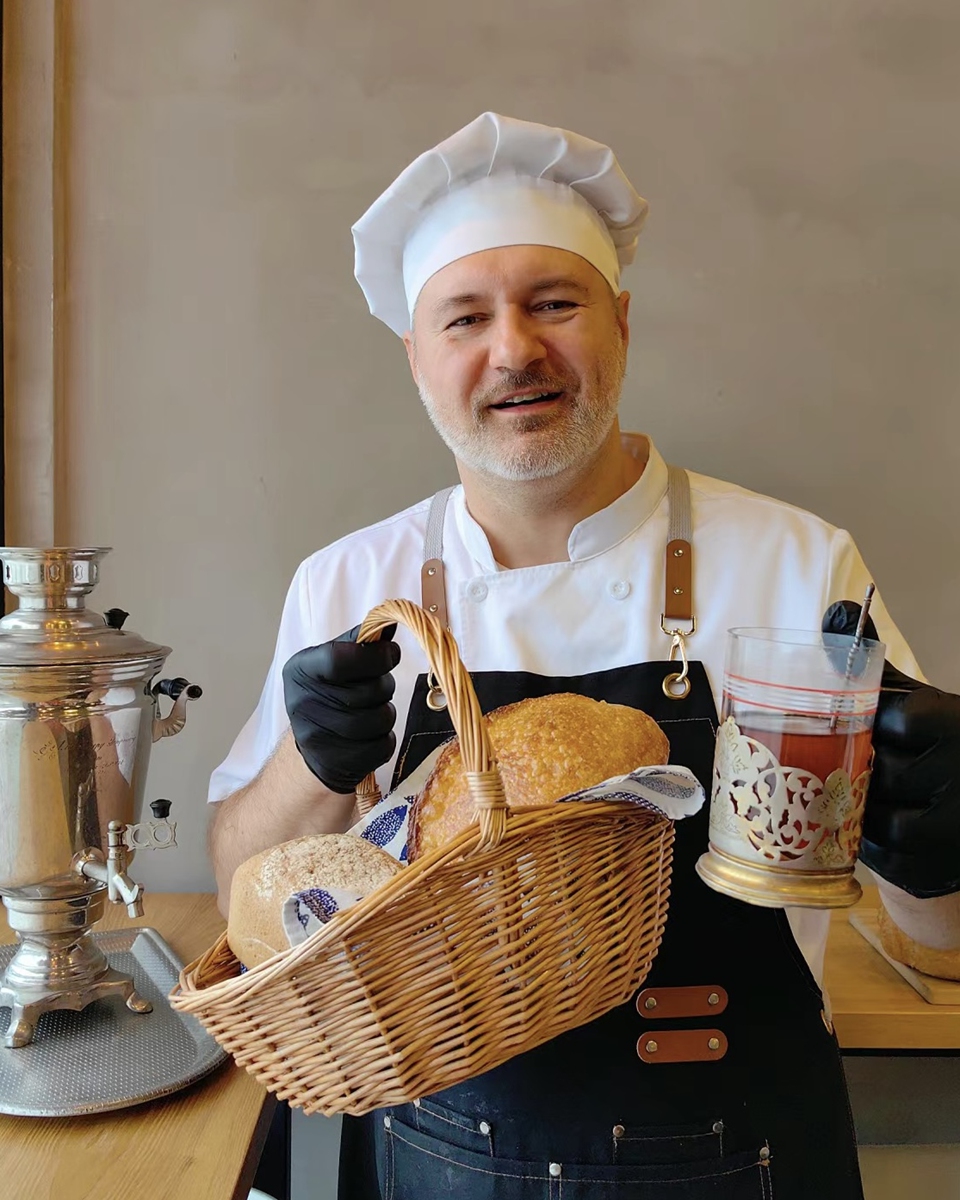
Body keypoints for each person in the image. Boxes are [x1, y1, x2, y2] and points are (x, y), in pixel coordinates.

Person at [208, 113, 960, 1199]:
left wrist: (939, 848)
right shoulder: (349, 588)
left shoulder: (800, 565)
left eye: (554, 303)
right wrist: (312, 769)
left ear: (621, 321)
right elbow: (246, 896)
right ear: (419, 362)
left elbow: (937, 944)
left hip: (740, 1146)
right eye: (464, 317)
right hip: (436, 1151)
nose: (514, 348)